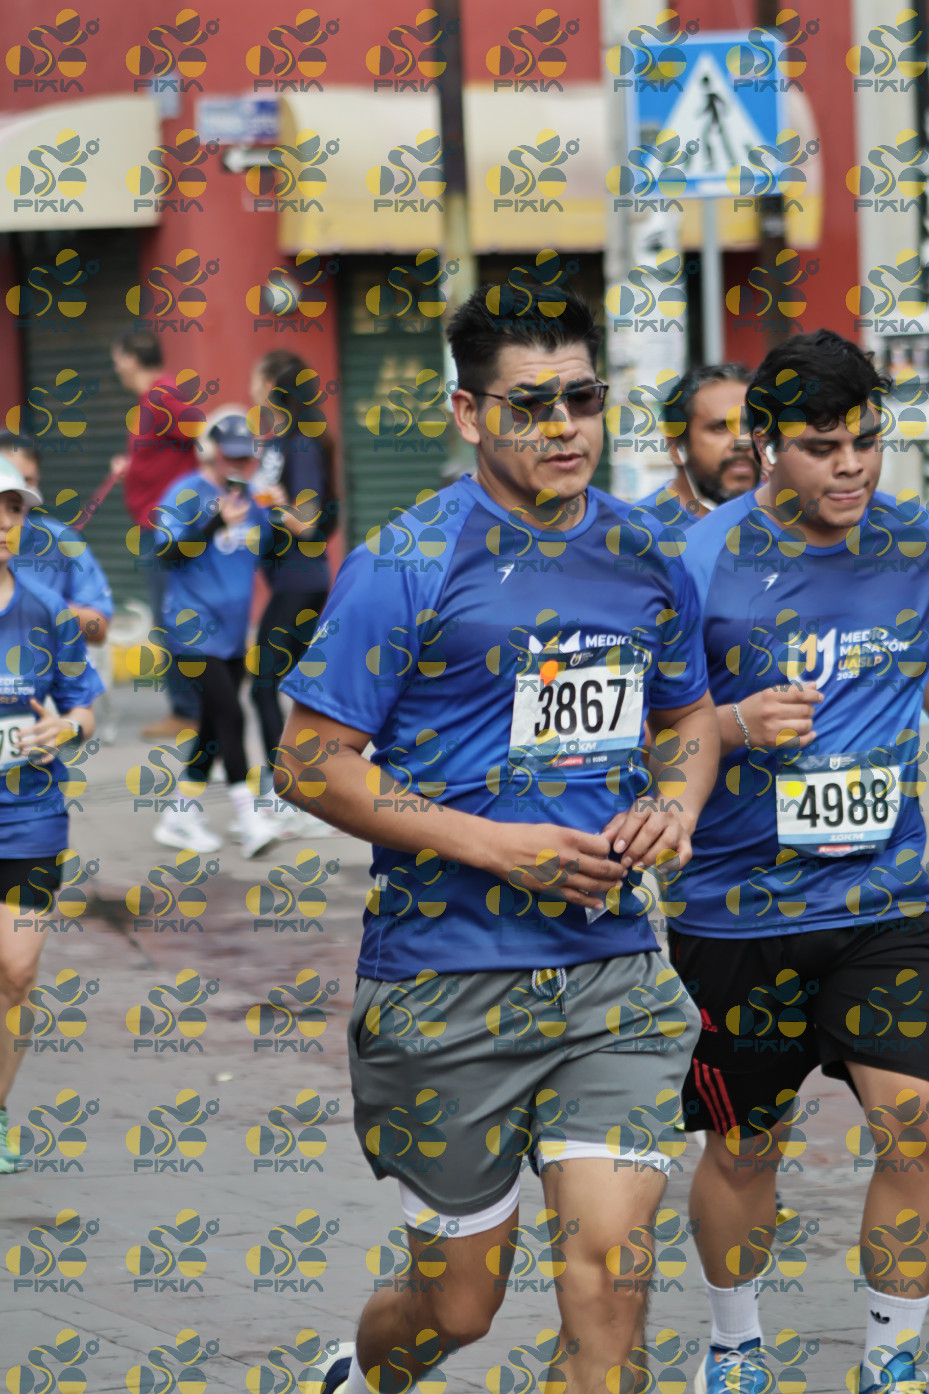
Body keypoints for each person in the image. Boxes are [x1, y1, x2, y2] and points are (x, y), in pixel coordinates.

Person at [272, 285, 720, 1393]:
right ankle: (358, 1372)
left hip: (611, 975)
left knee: (609, 1282)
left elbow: (685, 719)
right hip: (444, 983)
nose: (563, 426)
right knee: (456, 1308)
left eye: (582, 398)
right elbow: (308, 762)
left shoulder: (643, 551)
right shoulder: (409, 561)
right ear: (470, 414)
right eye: (530, 405)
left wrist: (673, 806)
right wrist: (494, 845)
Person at [665, 330, 929, 1393]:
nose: (852, 467)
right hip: (738, 911)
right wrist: (732, 723)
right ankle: (733, 1342)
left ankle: (893, 1356)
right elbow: (649, 729)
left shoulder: (911, 545)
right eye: (823, 447)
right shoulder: (699, 559)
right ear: (767, 445)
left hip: (886, 897)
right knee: (744, 1147)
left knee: (913, 1126)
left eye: (866, 441)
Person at [0, 455, 103, 1173]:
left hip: (30, 815)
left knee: (16, 972)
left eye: (15, 509)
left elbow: (85, 706)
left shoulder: (45, 610)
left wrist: (65, 728)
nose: (5, 521)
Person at [149, 409, 279, 859]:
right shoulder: (186, 492)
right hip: (191, 627)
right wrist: (213, 525)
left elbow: (272, 553)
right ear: (211, 451)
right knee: (232, 716)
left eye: (245, 457)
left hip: (232, 632)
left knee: (212, 727)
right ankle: (250, 818)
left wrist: (285, 513)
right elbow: (166, 554)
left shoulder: (254, 499)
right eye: (231, 455)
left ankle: (178, 815)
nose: (238, 464)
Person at [248, 351, 338, 836]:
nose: (251, 388)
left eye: (256, 379)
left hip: (301, 582)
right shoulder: (281, 441)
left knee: (263, 686)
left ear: (271, 387)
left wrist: (276, 506)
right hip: (291, 580)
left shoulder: (300, 444)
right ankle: (318, 796)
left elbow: (309, 524)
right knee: (306, 692)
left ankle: (285, 794)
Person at [110, 329, 200, 737]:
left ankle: (189, 710)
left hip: (168, 529)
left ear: (131, 357)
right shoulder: (150, 402)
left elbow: (203, 434)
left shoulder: (163, 397)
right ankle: (190, 708)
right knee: (170, 618)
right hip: (155, 527)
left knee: (172, 619)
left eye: (118, 357)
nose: (116, 366)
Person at [0, 432, 113, 645]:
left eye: (27, 482)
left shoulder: (61, 541)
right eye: (8, 479)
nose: (16, 492)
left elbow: (98, 626)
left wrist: (44, 606)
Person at [636, 364, 754, 530]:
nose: (744, 441)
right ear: (676, 446)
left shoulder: (781, 519)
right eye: (720, 428)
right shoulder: (638, 534)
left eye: (752, 425)